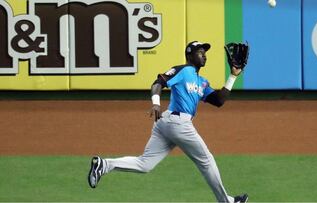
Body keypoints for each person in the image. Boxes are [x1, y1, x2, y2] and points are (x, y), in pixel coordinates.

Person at [88, 41, 248, 203]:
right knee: (206, 161)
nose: (204, 55)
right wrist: (156, 103)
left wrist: (233, 76)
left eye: (205, 52)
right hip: (177, 123)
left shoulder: (202, 82)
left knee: (145, 164)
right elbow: (158, 83)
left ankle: (104, 165)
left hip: (168, 124)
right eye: (200, 52)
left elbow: (219, 100)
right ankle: (226, 201)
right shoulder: (183, 70)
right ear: (190, 55)